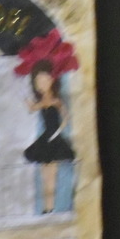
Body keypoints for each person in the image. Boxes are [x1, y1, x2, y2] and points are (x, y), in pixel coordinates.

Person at [24, 58, 75, 215]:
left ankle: (51, 207)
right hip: (46, 139)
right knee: (45, 176)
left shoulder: (55, 100)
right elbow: (34, 108)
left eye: (44, 79)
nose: (41, 84)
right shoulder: (43, 101)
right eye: (38, 81)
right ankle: (47, 208)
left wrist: (60, 129)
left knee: (52, 175)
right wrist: (29, 104)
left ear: (52, 79)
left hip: (54, 139)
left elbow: (65, 116)